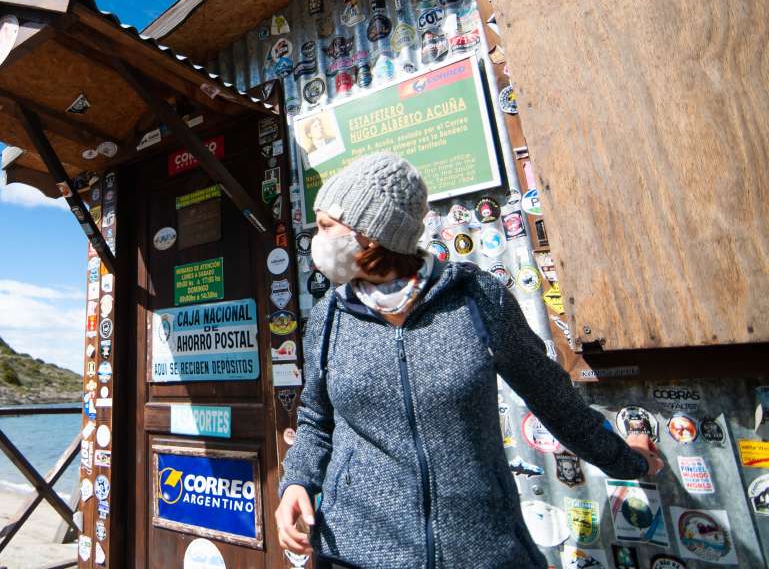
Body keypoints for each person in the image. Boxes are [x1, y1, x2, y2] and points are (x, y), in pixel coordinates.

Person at [274, 152, 663, 568]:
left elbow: (556, 402)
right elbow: (316, 420)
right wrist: (296, 481)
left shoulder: (477, 299)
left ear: (371, 234)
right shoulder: (330, 316)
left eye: (329, 226)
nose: (319, 238)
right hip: (355, 553)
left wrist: (629, 459)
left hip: (479, 550)